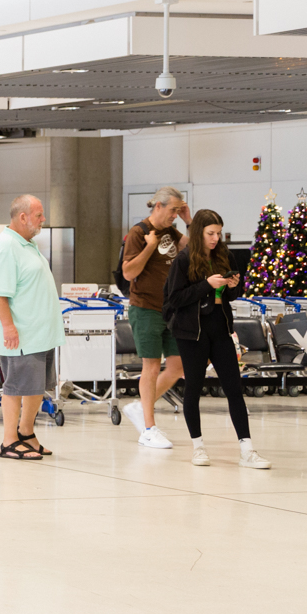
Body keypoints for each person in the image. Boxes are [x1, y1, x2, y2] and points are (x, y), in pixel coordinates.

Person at [163, 210, 271, 469]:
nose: (215, 238)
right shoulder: (184, 259)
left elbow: (233, 295)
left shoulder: (225, 255)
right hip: (192, 332)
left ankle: (247, 449)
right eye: (210, 233)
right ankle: (198, 447)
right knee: (193, 388)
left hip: (220, 328)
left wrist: (234, 285)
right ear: (199, 231)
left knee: (234, 388)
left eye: (219, 233)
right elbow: (174, 299)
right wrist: (206, 285)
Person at [0, 195, 65, 461]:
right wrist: (8, 327)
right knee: (17, 386)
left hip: (40, 334)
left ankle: (26, 433)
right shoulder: (6, 246)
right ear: (23, 217)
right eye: (39, 215)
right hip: (21, 334)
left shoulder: (27, 245)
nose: (43, 220)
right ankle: (9, 441)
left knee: (36, 387)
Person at [121, 187, 190, 449]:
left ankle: (141, 407)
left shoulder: (172, 232)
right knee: (150, 366)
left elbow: (195, 249)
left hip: (171, 310)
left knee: (177, 366)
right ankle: (148, 429)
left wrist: (189, 220)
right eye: (173, 210)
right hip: (146, 308)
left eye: (178, 210)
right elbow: (129, 272)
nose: (175, 214)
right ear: (158, 207)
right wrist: (150, 247)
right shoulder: (140, 232)